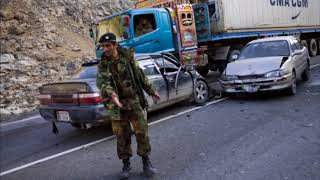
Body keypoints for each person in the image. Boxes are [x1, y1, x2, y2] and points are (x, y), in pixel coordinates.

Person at [96, 33, 161, 179]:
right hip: (117, 106)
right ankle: (126, 165)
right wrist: (113, 96)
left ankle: (146, 162)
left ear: (115, 45)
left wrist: (151, 91)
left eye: (107, 46)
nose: (105, 49)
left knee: (142, 133)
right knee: (122, 136)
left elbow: (140, 75)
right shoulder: (103, 64)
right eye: (103, 46)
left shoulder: (128, 57)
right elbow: (103, 82)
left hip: (134, 101)